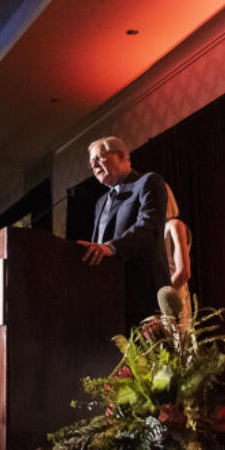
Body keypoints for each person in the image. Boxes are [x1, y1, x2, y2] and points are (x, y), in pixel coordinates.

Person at [77, 136, 171, 331]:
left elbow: (148, 225)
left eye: (99, 158)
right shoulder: (100, 202)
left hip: (142, 292)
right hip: (109, 297)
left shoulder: (148, 182)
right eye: (91, 162)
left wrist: (111, 248)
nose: (94, 164)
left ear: (122, 156)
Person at [163, 185, 193, 331]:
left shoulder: (174, 225)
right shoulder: (152, 232)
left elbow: (183, 271)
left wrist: (163, 300)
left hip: (173, 295)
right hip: (163, 297)